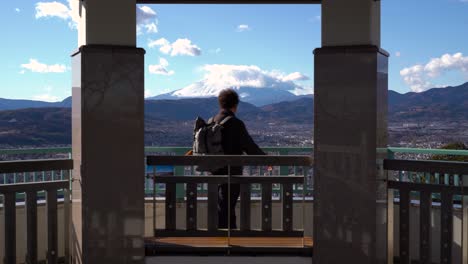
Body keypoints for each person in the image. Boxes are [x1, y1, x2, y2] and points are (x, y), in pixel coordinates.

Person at [211, 89, 265, 229]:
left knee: (222, 207)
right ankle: (228, 239)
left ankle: (223, 237)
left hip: (213, 173)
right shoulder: (235, 123)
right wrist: (267, 160)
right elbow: (250, 148)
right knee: (228, 207)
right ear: (235, 105)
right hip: (232, 173)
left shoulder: (212, 121)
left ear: (220, 104)